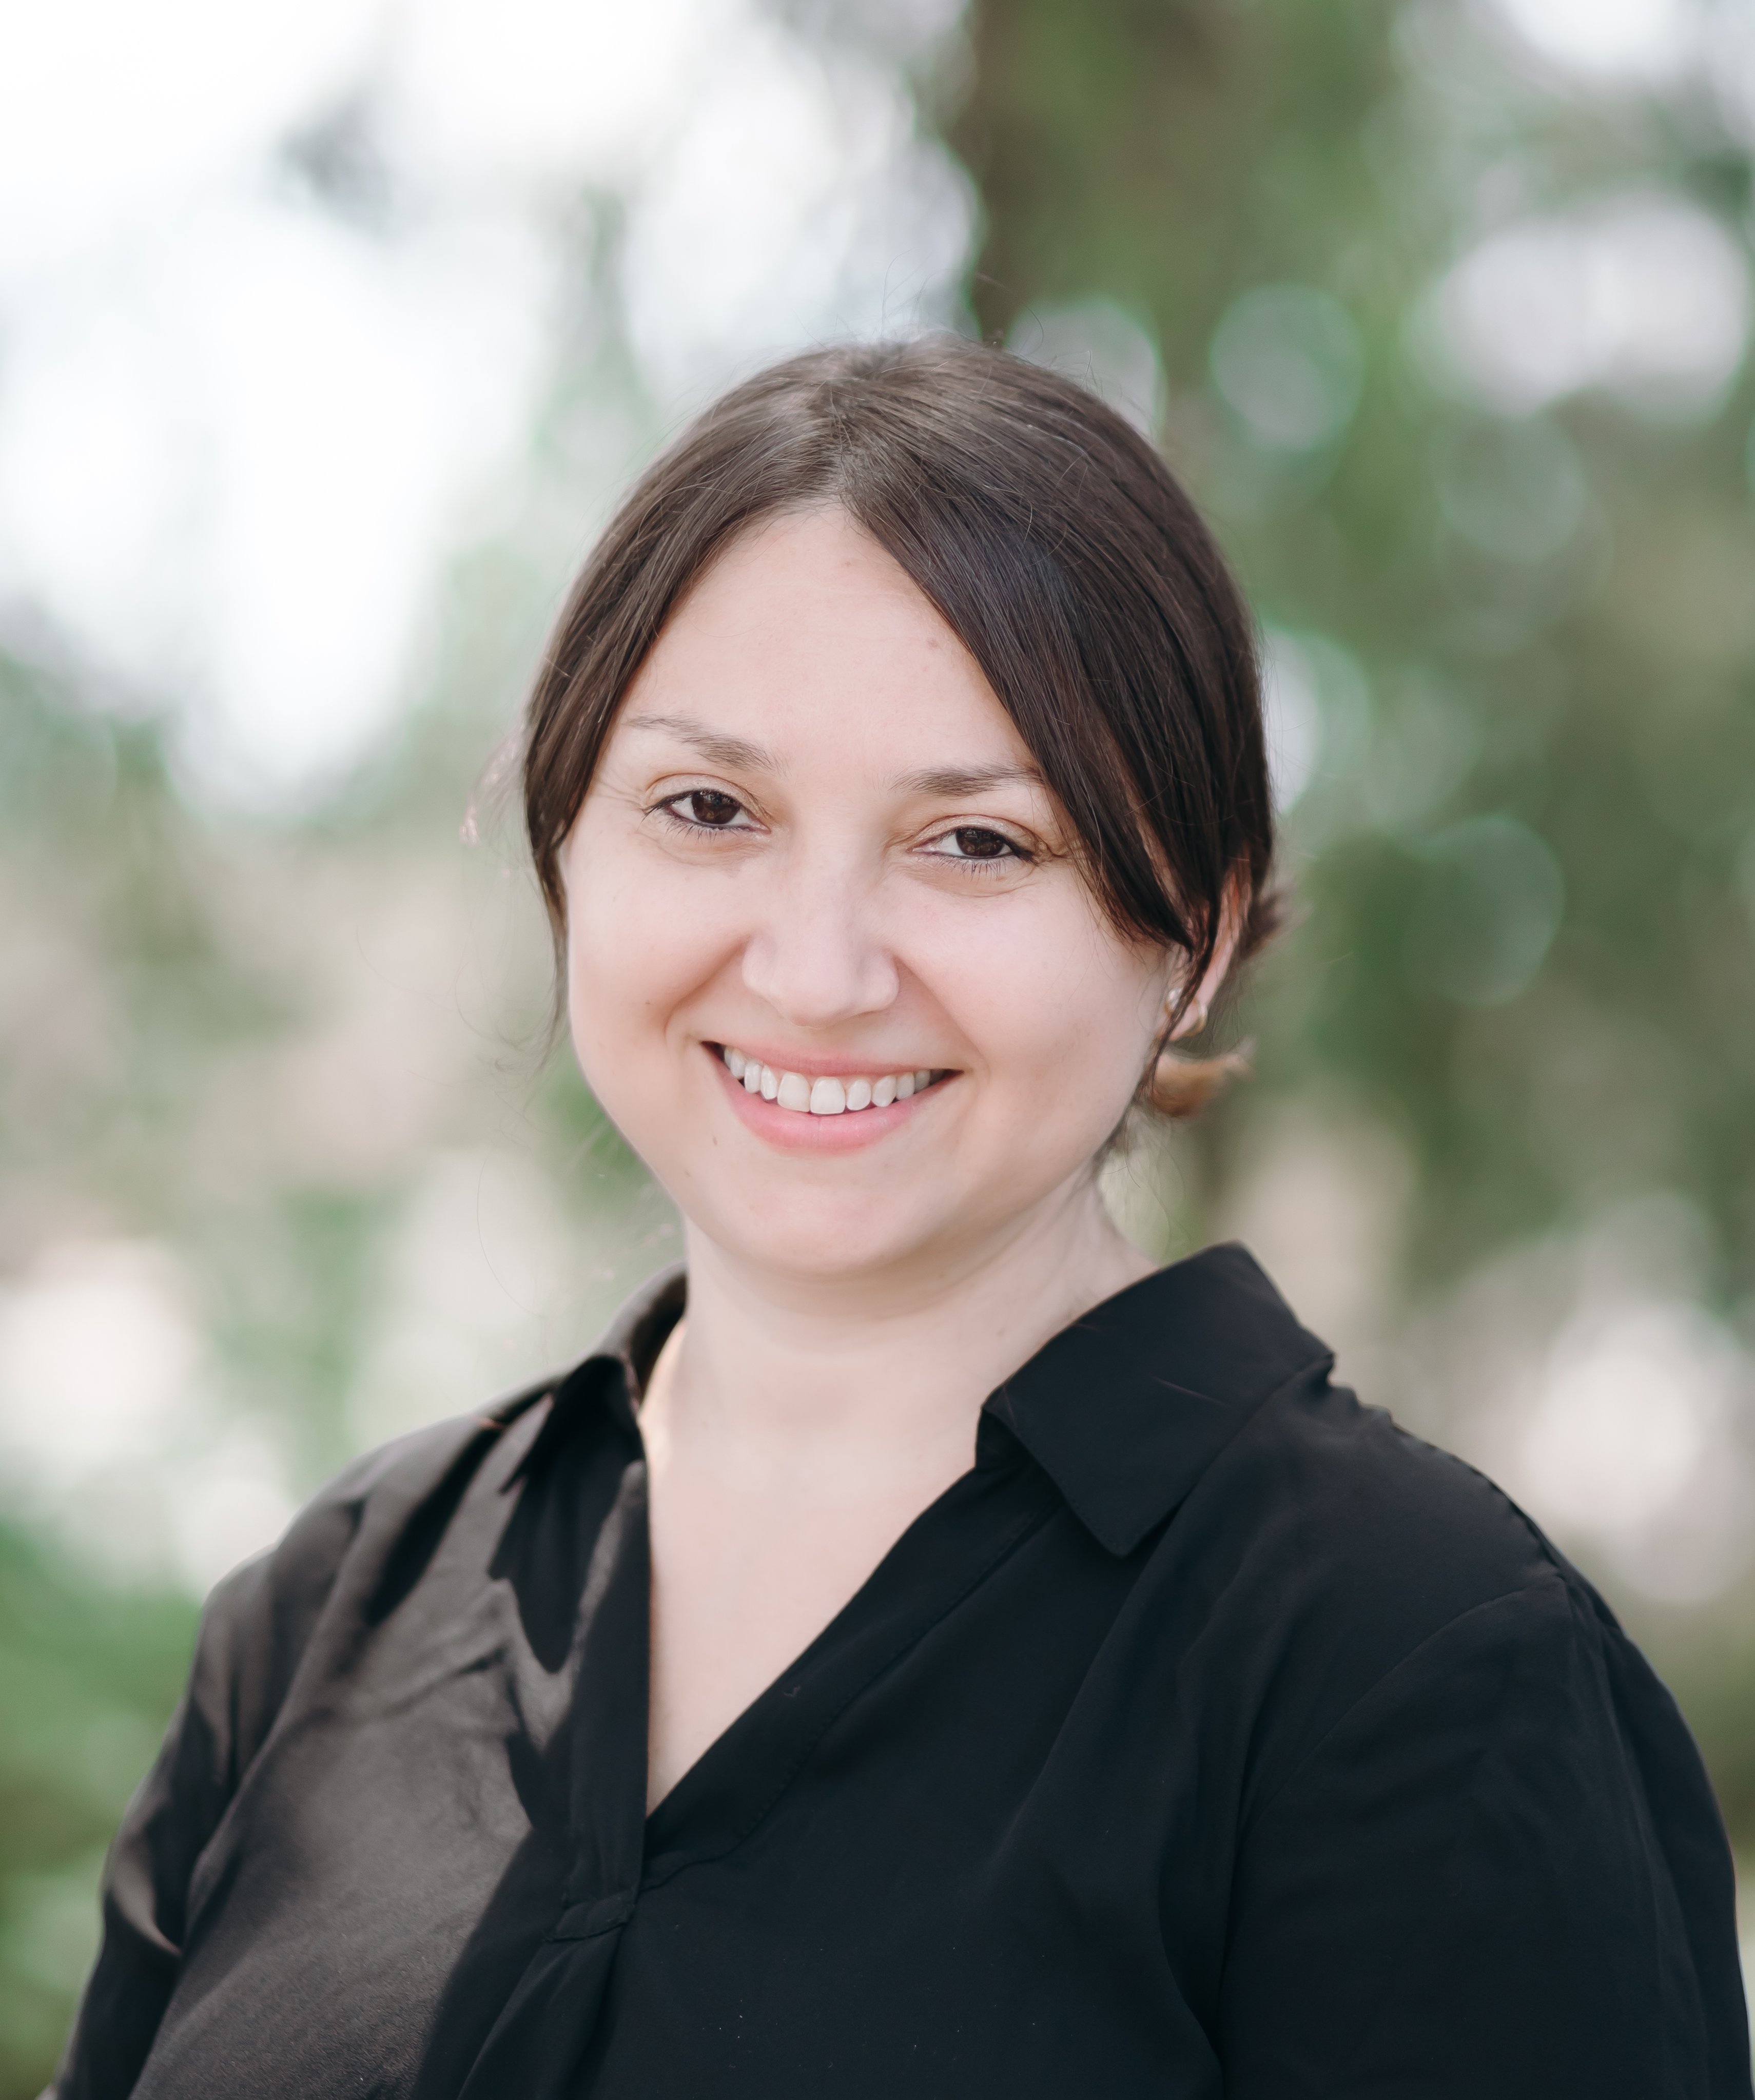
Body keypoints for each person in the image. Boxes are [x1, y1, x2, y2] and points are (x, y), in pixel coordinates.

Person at [53, 338, 1749, 2099]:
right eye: (709, 810)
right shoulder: (340, 1602)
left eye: (976, 843)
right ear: (570, 845)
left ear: (1197, 930)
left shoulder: (1418, 1669)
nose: (814, 966)